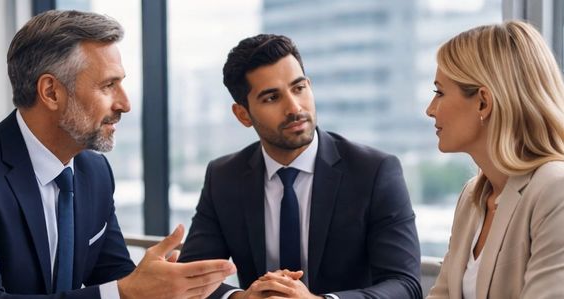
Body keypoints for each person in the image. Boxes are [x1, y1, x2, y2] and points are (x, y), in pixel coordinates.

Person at [0, 10, 236, 299]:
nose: (125, 103)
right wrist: (122, 293)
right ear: (51, 92)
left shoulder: (94, 171)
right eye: (108, 85)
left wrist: (236, 297)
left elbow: (118, 275)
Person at [178, 34, 422, 299]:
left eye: (299, 88)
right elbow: (192, 276)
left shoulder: (374, 171)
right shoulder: (224, 176)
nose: (294, 108)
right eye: (272, 98)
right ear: (243, 115)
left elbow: (405, 285)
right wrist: (242, 298)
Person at [425, 20, 564, 299]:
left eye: (439, 92)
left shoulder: (555, 189)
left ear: (483, 103)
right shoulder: (472, 197)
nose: (430, 110)